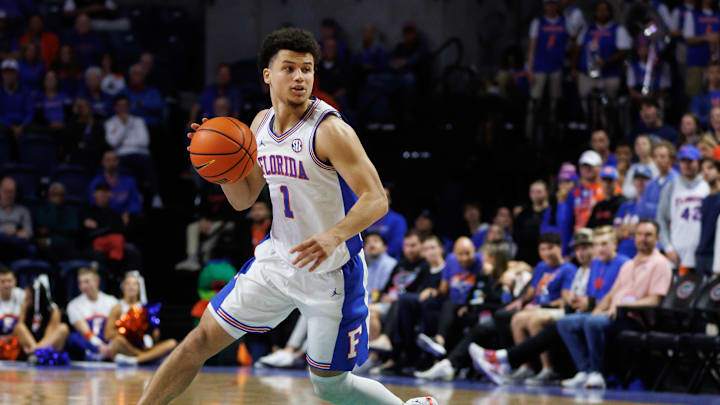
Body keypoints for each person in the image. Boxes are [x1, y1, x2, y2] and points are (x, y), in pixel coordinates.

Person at [137, 28, 438, 405]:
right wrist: (219, 167)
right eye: (290, 68)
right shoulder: (259, 125)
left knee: (331, 386)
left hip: (331, 271)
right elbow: (244, 200)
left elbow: (377, 199)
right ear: (268, 75)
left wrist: (333, 235)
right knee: (197, 341)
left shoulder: (330, 131)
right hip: (278, 260)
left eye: (307, 69)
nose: (300, 77)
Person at [470, 226, 628, 386]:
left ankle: (517, 362)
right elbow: (589, 295)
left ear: (614, 244)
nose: (598, 248)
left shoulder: (621, 264)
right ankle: (583, 371)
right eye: (597, 244)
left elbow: (616, 293)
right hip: (586, 311)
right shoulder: (594, 265)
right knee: (552, 322)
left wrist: (590, 305)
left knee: (555, 322)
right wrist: (582, 302)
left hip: (610, 313)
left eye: (603, 244)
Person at [556, 220, 672, 389]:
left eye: (648, 235)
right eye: (639, 234)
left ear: (657, 239)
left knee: (593, 323)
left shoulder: (660, 264)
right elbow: (611, 294)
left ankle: (598, 373)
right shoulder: (628, 265)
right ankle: (585, 371)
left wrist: (623, 307)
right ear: (634, 238)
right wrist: (596, 310)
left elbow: (655, 300)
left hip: (636, 320)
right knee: (566, 323)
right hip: (612, 315)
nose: (643, 239)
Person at [572, 0, 631, 116]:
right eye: (599, 10)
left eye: (605, 10)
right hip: (586, 75)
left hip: (609, 75)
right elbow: (577, 49)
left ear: (610, 13)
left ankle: (608, 132)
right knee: (588, 109)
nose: (602, 13)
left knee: (608, 109)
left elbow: (624, 52)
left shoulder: (617, 29)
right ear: (595, 13)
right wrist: (573, 68)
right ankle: (592, 131)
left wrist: (606, 62)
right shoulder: (588, 29)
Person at [104, 272, 177, 365]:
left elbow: (155, 337)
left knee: (172, 343)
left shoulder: (146, 307)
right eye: (128, 284)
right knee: (117, 342)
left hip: (143, 345)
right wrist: (128, 329)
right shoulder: (117, 307)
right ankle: (146, 357)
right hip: (125, 346)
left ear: (139, 288)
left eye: (134, 284)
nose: (131, 287)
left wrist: (153, 329)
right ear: (123, 287)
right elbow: (107, 334)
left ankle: (136, 360)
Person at [657, 145, 709, 274]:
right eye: (683, 161)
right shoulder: (671, 186)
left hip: (703, 253)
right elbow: (661, 220)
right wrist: (668, 248)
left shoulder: (707, 186)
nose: (687, 165)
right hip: (677, 254)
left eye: (690, 161)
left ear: (698, 162)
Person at [0, 267, 69, 358]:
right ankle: (36, 351)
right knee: (19, 327)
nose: (25, 300)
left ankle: (36, 351)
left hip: (45, 344)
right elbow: (20, 326)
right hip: (25, 343)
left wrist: (36, 348)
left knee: (63, 328)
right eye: (2, 281)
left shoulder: (52, 309)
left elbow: (50, 332)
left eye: (28, 298)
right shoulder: (24, 304)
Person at [526, 0, 568, 141]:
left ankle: (553, 134)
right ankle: (529, 135)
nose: (550, 6)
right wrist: (530, 70)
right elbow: (532, 48)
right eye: (547, 3)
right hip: (539, 67)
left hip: (557, 67)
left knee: (554, 103)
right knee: (534, 102)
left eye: (553, 3)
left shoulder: (564, 22)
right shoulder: (538, 23)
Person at [104, 94, 157, 205]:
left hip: (140, 154)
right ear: (115, 107)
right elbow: (113, 143)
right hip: (122, 156)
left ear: (129, 106)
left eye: (125, 105)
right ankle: (132, 195)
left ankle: (155, 196)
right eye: (120, 105)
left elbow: (144, 142)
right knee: (122, 165)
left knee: (145, 162)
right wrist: (125, 125)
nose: (122, 108)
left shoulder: (139, 121)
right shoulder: (110, 123)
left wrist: (125, 143)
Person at [66, 266, 118, 361]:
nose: (83, 286)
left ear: (97, 281)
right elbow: (85, 332)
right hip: (88, 341)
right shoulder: (73, 305)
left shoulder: (112, 301)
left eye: (86, 282)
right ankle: (95, 355)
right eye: (80, 283)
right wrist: (99, 346)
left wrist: (110, 346)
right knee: (73, 338)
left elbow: (114, 328)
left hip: (107, 339)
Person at [33, 182, 81, 262]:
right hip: (45, 241)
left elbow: (73, 228)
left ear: (65, 196)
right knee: (42, 246)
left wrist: (51, 229)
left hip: (64, 242)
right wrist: (53, 207)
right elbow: (42, 226)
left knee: (71, 248)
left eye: (60, 195)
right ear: (48, 195)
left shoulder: (70, 211)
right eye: (54, 194)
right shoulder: (41, 210)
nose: (57, 197)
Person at [88, 150, 142, 218]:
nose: (111, 163)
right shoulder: (96, 182)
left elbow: (136, 203)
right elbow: (93, 204)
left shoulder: (129, 181)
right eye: (108, 160)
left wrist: (128, 212)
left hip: (126, 219)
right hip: (104, 218)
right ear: (102, 162)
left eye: (114, 160)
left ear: (118, 161)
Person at [683, 0, 720, 99]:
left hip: (716, 62)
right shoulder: (692, 14)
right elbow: (687, 38)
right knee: (694, 94)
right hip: (696, 61)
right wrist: (706, 37)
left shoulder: (718, 14)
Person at [615, 165, 653, 258]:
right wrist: (634, 229)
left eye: (644, 179)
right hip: (621, 254)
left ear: (651, 182)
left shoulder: (653, 207)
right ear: (633, 181)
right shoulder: (625, 206)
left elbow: (649, 232)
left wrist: (625, 228)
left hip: (642, 255)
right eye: (637, 178)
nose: (640, 182)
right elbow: (615, 232)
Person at [541, 163, 577, 256]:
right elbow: (544, 230)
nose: (563, 186)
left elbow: (565, 226)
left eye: (567, 182)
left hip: (571, 251)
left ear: (574, 184)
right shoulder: (553, 205)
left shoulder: (578, 201)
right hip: (555, 250)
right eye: (561, 182)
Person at [637, 141, 678, 220]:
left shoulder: (676, 181)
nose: (658, 160)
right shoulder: (651, 183)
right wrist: (658, 208)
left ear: (671, 159)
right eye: (655, 157)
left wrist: (649, 207)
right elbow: (641, 210)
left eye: (662, 156)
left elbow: (670, 211)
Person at [625, 36, 671, 107]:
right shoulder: (632, 67)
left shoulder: (663, 66)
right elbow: (631, 90)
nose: (643, 51)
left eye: (646, 48)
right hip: (639, 99)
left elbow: (664, 88)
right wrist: (642, 97)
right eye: (641, 48)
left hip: (656, 98)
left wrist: (652, 97)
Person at [513, 180, 549, 265]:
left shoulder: (553, 212)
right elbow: (516, 235)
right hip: (524, 258)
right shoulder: (523, 214)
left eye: (539, 192)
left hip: (544, 258)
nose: (535, 195)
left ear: (546, 192)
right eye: (532, 192)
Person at [0, 176, 35, 262]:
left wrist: (14, 232)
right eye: (6, 191)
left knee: (30, 248)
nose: (9, 195)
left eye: (11, 192)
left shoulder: (23, 211)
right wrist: (4, 232)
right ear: (0, 191)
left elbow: (28, 233)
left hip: (17, 243)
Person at [366, 187, 407, 259]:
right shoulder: (366, 218)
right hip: (367, 258)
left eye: (384, 197)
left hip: (389, 260)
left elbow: (397, 244)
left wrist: (377, 254)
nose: (381, 200)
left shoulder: (397, 219)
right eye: (378, 197)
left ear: (389, 200)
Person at [121, 64, 164, 128]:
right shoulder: (123, 92)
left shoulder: (153, 92)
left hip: (150, 126)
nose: (135, 77)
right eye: (134, 74)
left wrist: (142, 105)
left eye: (139, 74)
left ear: (144, 76)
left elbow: (159, 106)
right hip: (128, 127)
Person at [0, 58, 34, 139]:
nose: (8, 76)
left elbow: (30, 112)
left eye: (11, 72)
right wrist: (10, 127)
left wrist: (22, 126)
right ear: (2, 75)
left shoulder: (25, 91)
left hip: (23, 126)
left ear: (17, 74)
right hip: (4, 127)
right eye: (6, 73)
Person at [696, 158, 720, 273]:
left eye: (710, 168)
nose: (706, 172)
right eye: (702, 169)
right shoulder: (705, 200)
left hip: (716, 254)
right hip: (702, 254)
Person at [364, 231, 397, 304]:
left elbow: (383, 291)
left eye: (375, 241)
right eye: (367, 242)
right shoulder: (362, 264)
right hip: (367, 303)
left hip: (384, 302)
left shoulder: (390, 264)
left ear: (385, 247)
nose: (371, 244)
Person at [623, 135, 658, 199]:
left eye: (644, 143)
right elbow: (626, 190)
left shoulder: (657, 166)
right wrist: (639, 191)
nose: (640, 146)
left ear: (651, 147)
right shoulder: (633, 168)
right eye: (637, 144)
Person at [690, 60, 720, 126]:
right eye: (712, 72)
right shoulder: (698, 98)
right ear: (707, 75)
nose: (715, 75)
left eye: (718, 72)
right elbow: (696, 119)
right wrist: (714, 119)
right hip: (706, 132)